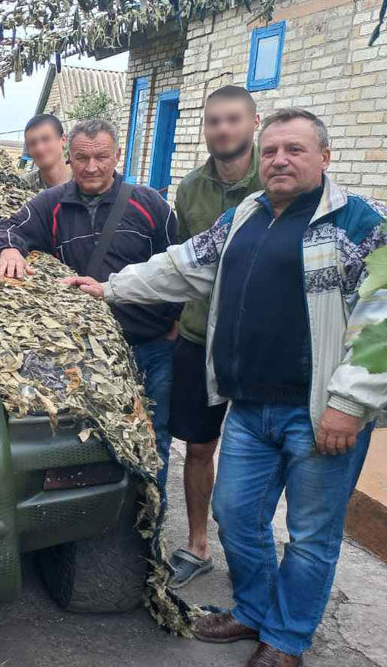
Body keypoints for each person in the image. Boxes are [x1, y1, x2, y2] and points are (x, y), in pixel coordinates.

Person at [64, 109, 387, 667]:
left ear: (324, 158)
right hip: (250, 407)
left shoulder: (361, 225)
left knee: (309, 536)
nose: (280, 160)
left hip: (319, 413)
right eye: (272, 150)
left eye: (295, 150)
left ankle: (287, 639)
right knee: (235, 516)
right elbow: (181, 266)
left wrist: (349, 404)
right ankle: (253, 611)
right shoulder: (245, 216)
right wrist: (109, 288)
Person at [0, 118, 181, 496]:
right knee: (92, 440)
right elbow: (8, 228)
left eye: (102, 157)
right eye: (82, 159)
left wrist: (175, 321)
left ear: (117, 156)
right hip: (86, 354)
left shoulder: (149, 205)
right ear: (70, 157)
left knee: (154, 438)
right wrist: (10, 248)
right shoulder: (52, 203)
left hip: (152, 346)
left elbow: (179, 266)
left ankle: (147, 534)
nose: (92, 168)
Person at [164, 85, 262, 589]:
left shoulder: (278, 181)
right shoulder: (191, 189)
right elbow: (184, 260)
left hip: (259, 346)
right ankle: (199, 544)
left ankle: (250, 552)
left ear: (253, 122)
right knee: (199, 446)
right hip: (199, 339)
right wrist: (180, 319)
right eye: (214, 121)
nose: (222, 129)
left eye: (232, 120)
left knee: (258, 450)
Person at [19, 113, 71, 189]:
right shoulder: (24, 186)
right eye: (33, 143)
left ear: (63, 140)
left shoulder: (86, 178)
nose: (40, 148)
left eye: (46, 139)